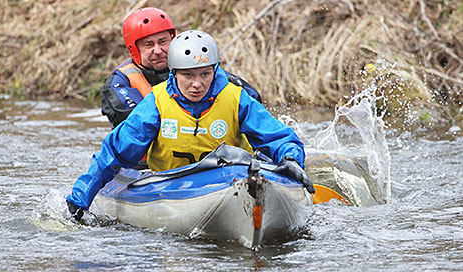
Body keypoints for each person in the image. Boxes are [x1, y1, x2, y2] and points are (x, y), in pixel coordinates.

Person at [66, 30, 314, 221]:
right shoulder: (156, 102)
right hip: (170, 181)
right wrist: (80, 198)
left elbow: (279, 137)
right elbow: (115, 152)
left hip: (233, 178)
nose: (197, 84)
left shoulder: (237, 98)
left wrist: (292, 159)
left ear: (215, 70)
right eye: (188, 75)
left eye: (204, 74)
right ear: (174, 73)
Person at [102, 7, 261, 129]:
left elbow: (253, 99)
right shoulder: (120, 82)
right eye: (148, 45)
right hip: (144, 163)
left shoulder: (195, 64)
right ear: (133, 49)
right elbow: (137, 126)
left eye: (163, 42)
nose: (158, 50)